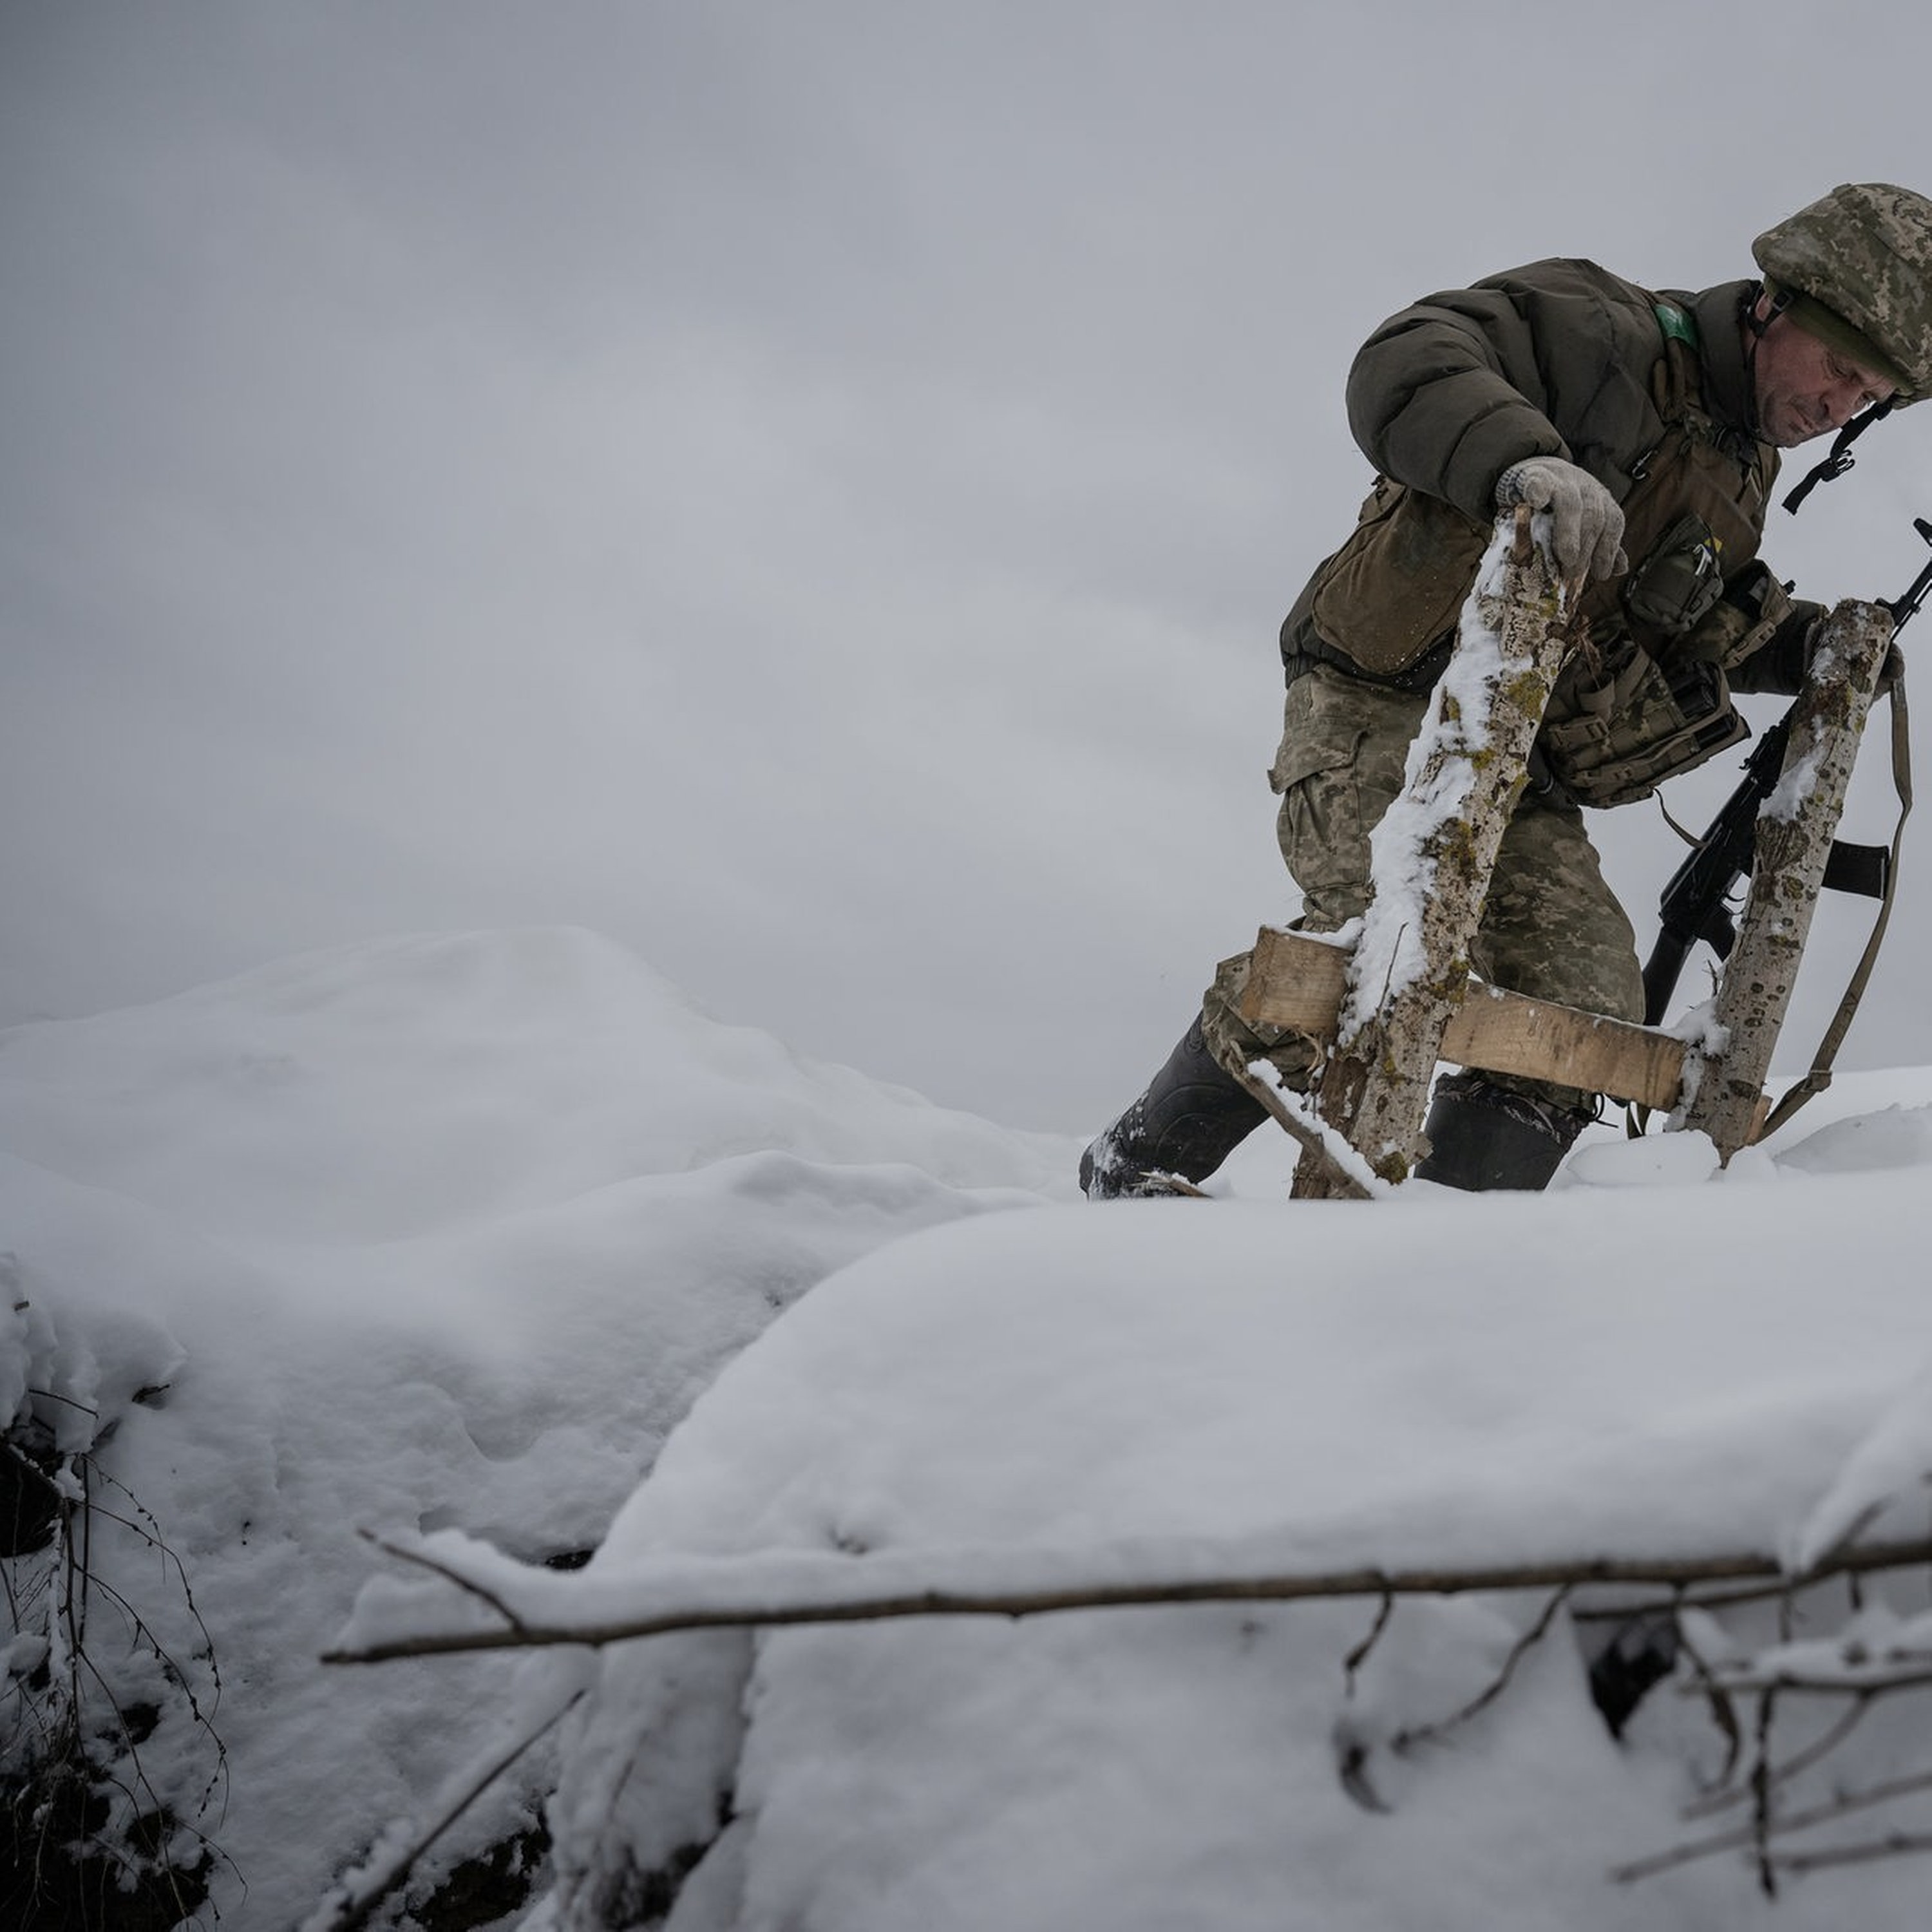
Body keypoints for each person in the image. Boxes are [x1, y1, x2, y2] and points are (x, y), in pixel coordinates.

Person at [1083, 183, 1932, 1199]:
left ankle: (1452, 1246)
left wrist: (1814, 649)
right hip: (1381, 695)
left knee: (1590, 1001)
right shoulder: (1598, 328)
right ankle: (1134, 1179)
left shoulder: (1738, 474)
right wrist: (1521, 460)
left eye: (1869, 398)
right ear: (1773, 304)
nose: (1839, 406)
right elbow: (1407, 358)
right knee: (1376, 945)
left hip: (1520, 755)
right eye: (1838, 368)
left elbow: (1678, 621)